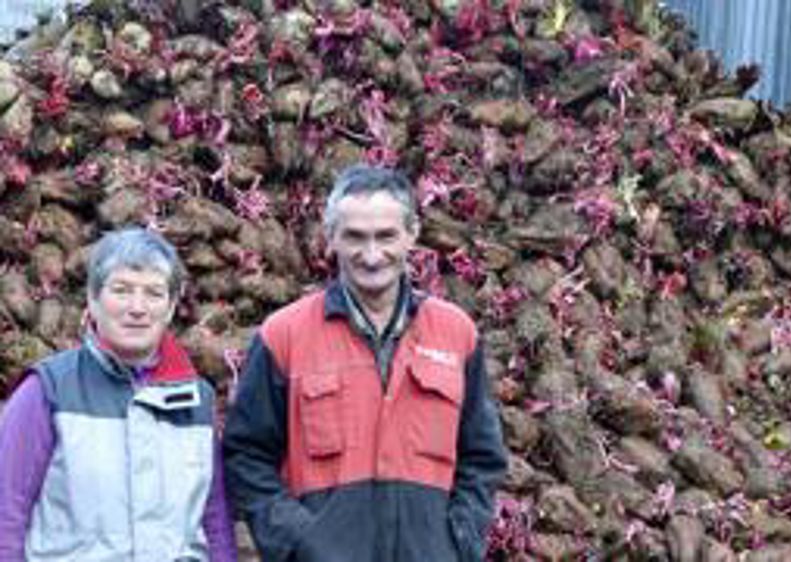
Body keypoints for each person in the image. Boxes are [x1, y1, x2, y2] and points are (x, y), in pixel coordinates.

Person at [223, 165, 508, 562]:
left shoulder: (456, 333)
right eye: (355, 237)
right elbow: (246, 456)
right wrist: (299, 543)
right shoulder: (284, 335)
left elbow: (482, 457)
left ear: (412, 234)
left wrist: (459, 541)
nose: (372, 255)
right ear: (331, 238)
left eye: (386, 236)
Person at [0, 227, 237, 561]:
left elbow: (215, 522)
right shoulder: (46, 391)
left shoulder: (196, 399)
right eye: (121, 290)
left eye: (154, 293)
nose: (137, 308)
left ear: (170, 309)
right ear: (93, 300)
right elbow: (6, 515)